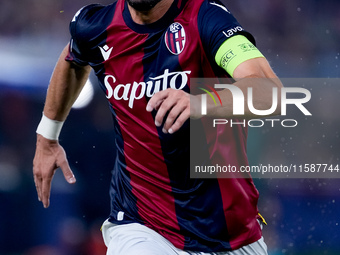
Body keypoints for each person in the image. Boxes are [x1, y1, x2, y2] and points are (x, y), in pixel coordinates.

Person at [33, 0, 282, 254]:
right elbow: (73, 58)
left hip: (229, 231)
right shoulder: (97, 26)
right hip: (143, 226)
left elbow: (270, 92)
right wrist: (47, 136)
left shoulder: (207, 18)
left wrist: (201, 102)